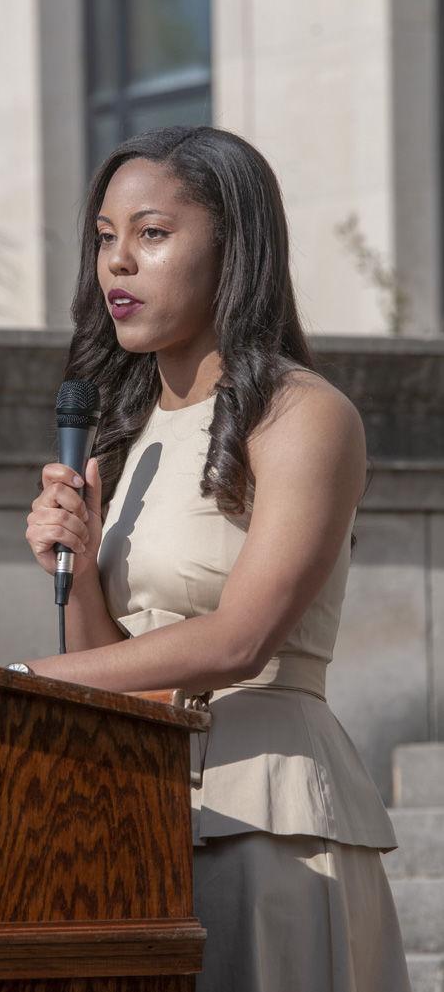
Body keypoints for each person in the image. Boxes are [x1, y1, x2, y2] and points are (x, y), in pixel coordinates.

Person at [23, 125, 412, 991]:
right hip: (139, 818)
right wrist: (81, 566)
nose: (118, 262)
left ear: (233, 249)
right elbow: (112, 659)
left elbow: (241, 640)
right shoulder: (134, 436)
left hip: (267, 823)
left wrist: (25, 675)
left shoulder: (304, 415)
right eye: (104, 238)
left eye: (152, 234)